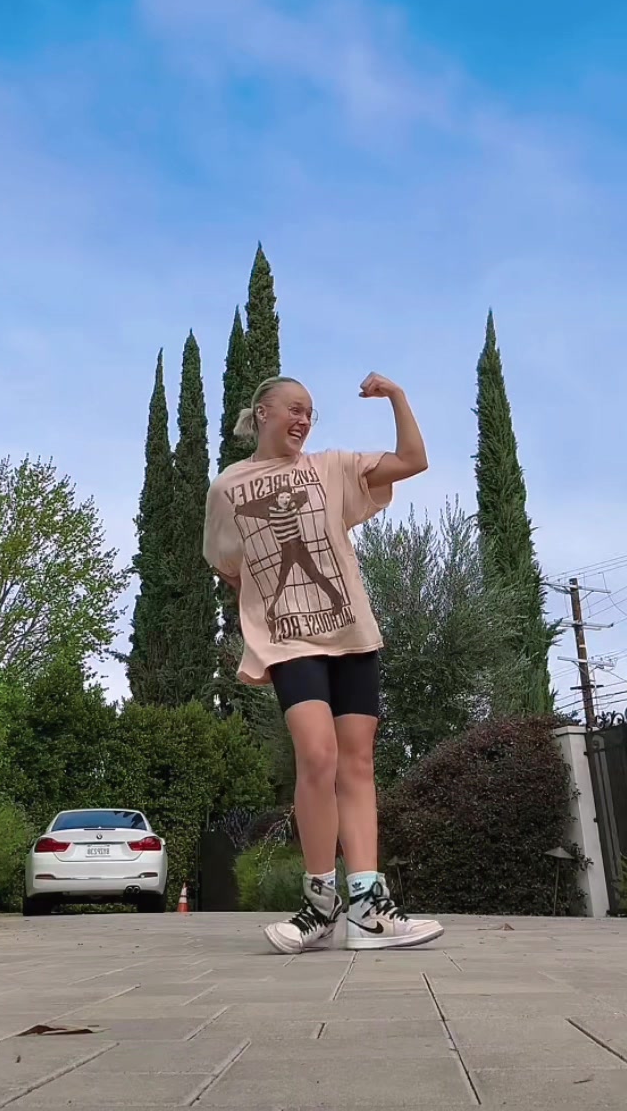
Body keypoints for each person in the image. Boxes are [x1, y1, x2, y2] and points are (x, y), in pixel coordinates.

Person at [203, 372, 444, 954]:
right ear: (263, 413)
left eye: (310, 412)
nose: (304, 419)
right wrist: (268, 606)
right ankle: (319, 904)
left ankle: (368, 910)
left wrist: (398, 396)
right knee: (317, 756)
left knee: (356, 764)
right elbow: (226, 564)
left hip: (351, 632)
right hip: (289, 640)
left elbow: (414, 460)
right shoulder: (228, 487)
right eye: (294, 408)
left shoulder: (332, 468)